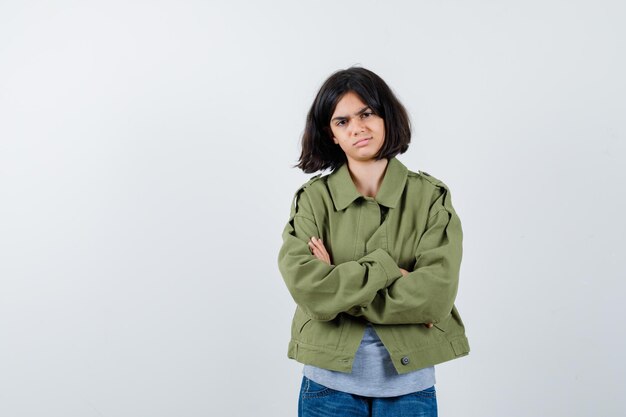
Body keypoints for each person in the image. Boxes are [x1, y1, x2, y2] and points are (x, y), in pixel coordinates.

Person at [277, 67, 470, 417]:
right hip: (327, 388)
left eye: (366, 113)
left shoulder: (430, 197)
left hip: (410, 388)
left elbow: (435, 296)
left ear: (386, 116)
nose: (357, 128)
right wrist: (389, 271)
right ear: (331, 134)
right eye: (342, 121)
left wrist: (339, 283)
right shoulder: (312, 200)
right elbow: (309, 290)